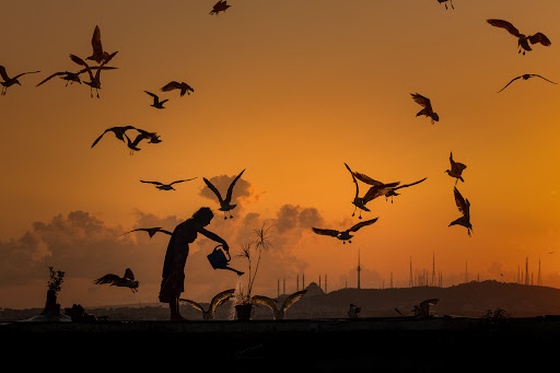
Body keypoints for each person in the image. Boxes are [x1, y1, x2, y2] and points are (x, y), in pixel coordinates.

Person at [159, 206, 229, 321]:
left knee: (176, 285)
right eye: (208, 220)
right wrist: (223, 241)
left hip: (178, 257)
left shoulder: (189, 224)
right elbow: (208, 234)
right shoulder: (193, 224)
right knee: (174, 284)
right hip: (176, 258)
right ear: (203, 218)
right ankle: (174, 315)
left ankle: (175, 314)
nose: (209, 223)